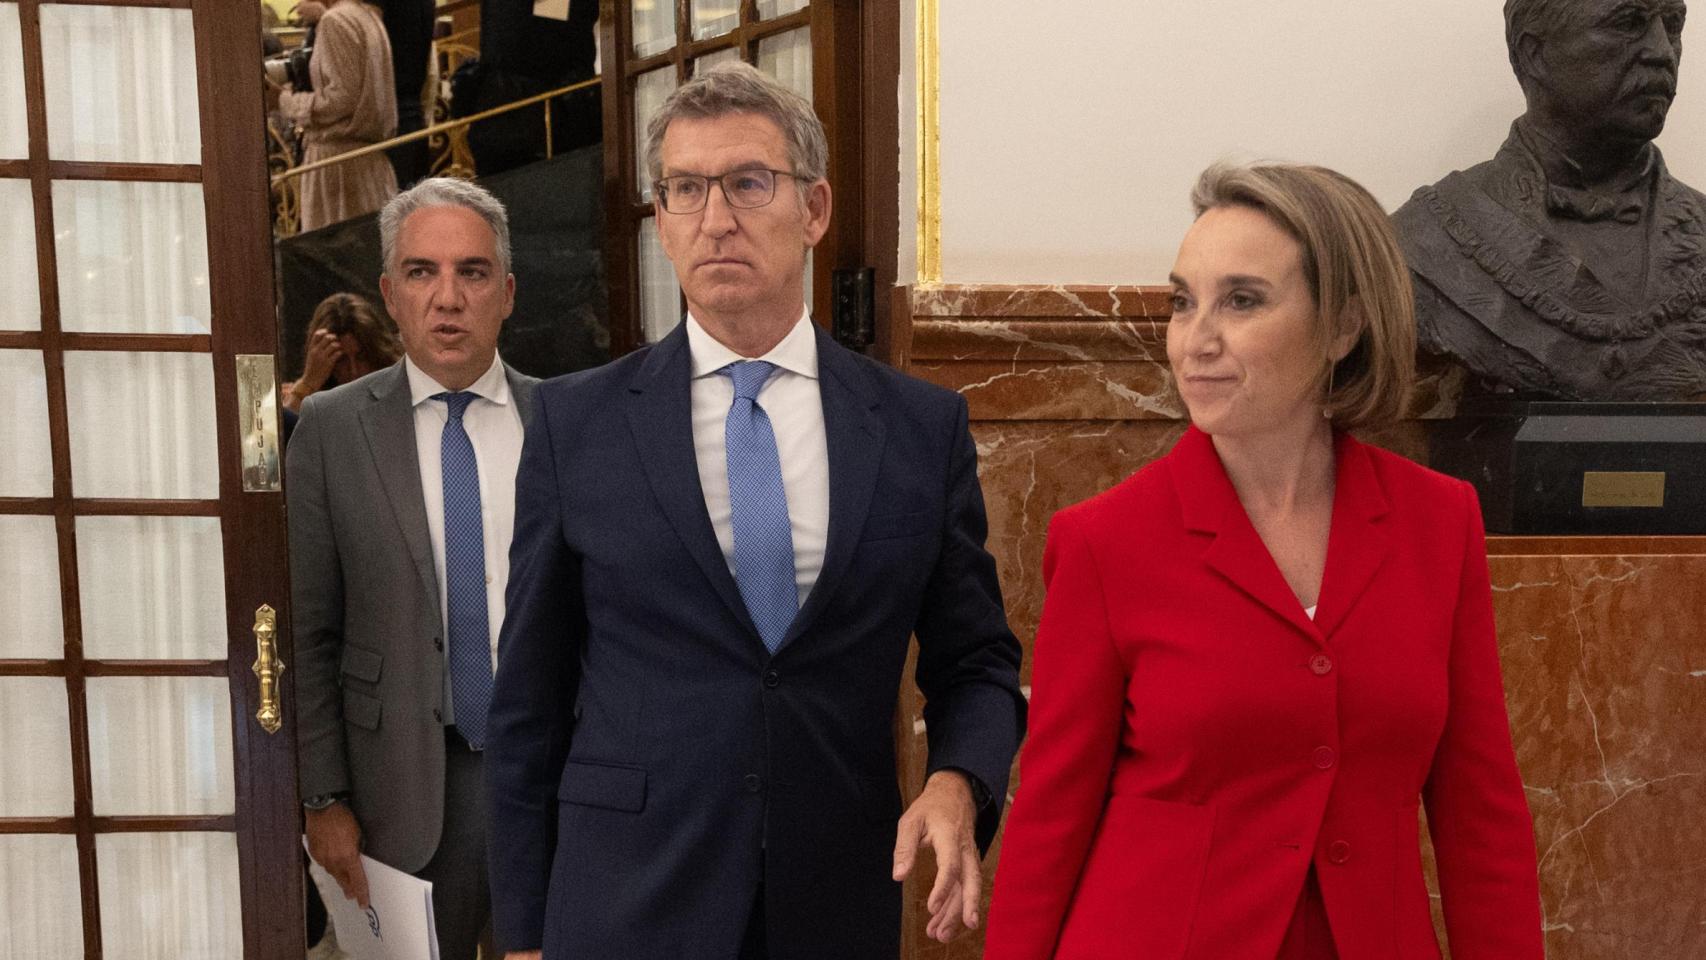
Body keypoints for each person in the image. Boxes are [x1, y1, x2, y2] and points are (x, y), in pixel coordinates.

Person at [485, 62, 1026, 960]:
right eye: (685, 189)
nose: (715, 218)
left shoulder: (917, 429)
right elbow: (529, 701)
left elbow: (976, 661)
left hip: (835, 898)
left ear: (813, 209)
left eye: (747, 183)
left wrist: (958, 780)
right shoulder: (577, 425)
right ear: (662, 222)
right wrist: (524, 930)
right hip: (625, 897)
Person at [984, 162, 1544, 959]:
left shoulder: (1438, 522)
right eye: (1183, 302)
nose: (1197, 340)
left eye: (1241, 300)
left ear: (1343, 327)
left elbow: (1479, 816)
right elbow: (1051, 820)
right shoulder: (1105, 541)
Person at [289, 177, 539, 960]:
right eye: (422, 272)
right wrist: (322, 797)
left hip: (547, 779)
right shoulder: (331, 429)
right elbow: (308, 631)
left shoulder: (564, 420)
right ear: (390, 295)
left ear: (507, 293)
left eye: (472, 272)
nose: (448, 298)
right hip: (394, 786)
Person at [1392, 0, 1705, 400]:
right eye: (1628, 23)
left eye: (1673, 24)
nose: (1662, 51)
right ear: (1534, 54)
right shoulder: (1420, 244)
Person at [270, 0, 400, 231]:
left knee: (335, 248)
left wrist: (285, 101)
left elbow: (340, 100)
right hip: (368, 162)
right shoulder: (368, 15)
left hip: (338, 166)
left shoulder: (336, 20)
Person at [285, 292, 403, 412]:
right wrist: (309, 382)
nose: (354, 371)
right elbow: (285, 422)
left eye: (361, 357)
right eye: (342, 360)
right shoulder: (313, 399)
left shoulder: (399, 385)